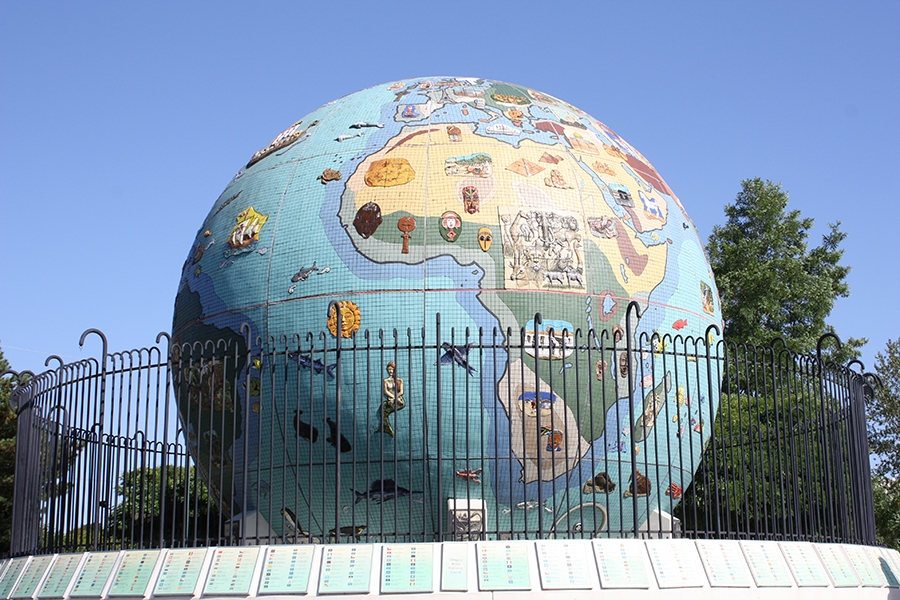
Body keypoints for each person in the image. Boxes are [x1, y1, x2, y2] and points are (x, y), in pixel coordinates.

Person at [376, 362, 405, 438]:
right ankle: (385, 427)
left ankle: (385, 427)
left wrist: (394, 398)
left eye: (392, 369)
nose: (390, 371)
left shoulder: (400, 380)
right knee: (382, 409)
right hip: (392, 401)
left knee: (384, 411)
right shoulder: (385, 381)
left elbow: (401, 392)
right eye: (389, 370)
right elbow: (385, 391)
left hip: (399, 402)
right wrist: (392, 398)